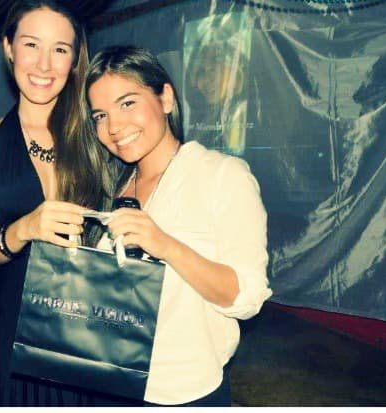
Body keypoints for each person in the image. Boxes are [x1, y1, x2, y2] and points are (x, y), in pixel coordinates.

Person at [82, 45, 272, 406]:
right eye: (100, 115)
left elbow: (247, 298)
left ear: (166, 98)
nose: (114, 127)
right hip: (108, 380)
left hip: (183, 391)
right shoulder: (109, 188)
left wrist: (166, 245)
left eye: (127, 103)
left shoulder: (222, 175)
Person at [0, 1, 116, 406]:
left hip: (88, 323)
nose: (44, 65)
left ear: (75, 60)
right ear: (8, 47)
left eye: (60, 49)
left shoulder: (99, 135)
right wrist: (24, 228)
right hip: (9, 327)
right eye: (31, 44)